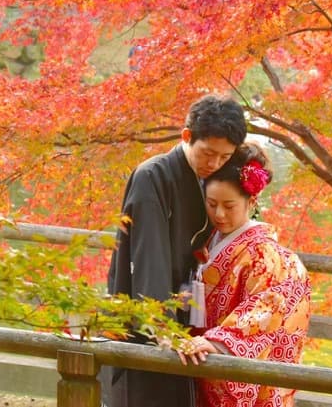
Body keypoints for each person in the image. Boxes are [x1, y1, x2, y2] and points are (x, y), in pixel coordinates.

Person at [102, 95, 248, 407]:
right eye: (208, 153)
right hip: (147, 310)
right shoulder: (153, 176)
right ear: (186, 136)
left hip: (183, 312)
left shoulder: (208, 177)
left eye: (224, 157)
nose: (215, 164)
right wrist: (162, 328)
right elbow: (148, 258)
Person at [176, 142, 311, 407]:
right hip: (201, 364)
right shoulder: (207, 239)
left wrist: (218, 342)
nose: (219, 214)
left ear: (251, 201)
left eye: (229, 205)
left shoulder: (266, 255)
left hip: (226, 364)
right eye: (212, 203)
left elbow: (267, 307)